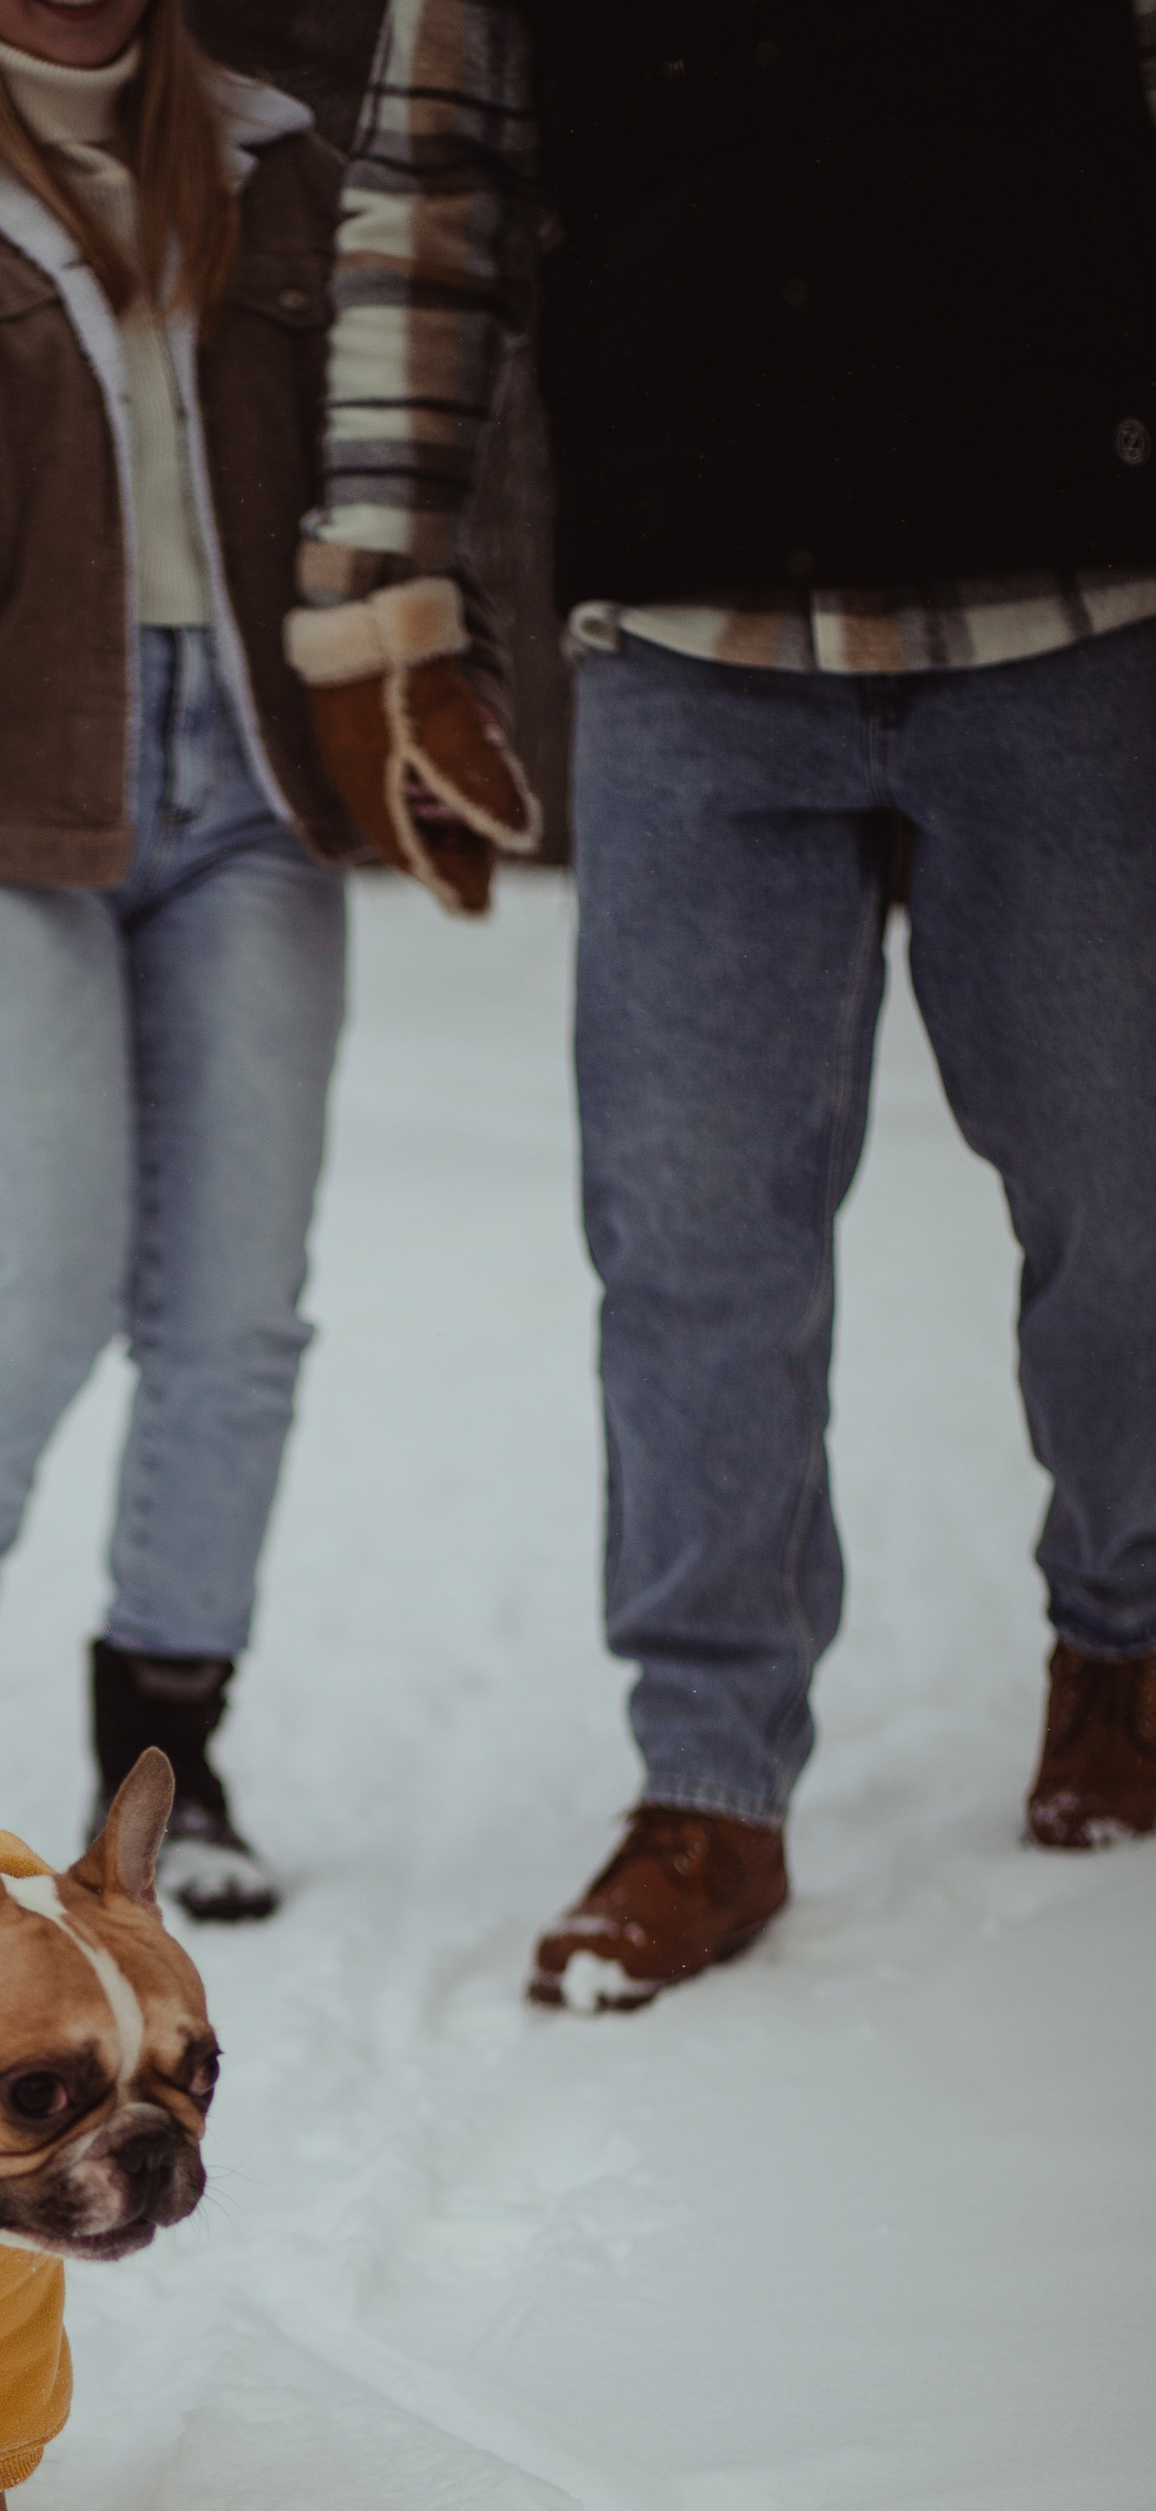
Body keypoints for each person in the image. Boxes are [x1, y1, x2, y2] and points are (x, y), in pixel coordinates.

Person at [288, 0, 1156, 2006]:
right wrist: (381, 584)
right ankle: (704, 1784)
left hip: (1067, 615)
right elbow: (424, 210)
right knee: (687, 1241)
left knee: (1121, 1194)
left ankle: (1122, 1642)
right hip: (689, 643)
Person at [0, 0, 355, 1920]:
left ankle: (168, 1769)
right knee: (24, 1272)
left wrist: (436, 698)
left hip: (259, 785)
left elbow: (380, 466)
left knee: (236, 1306)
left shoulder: (279, 159)